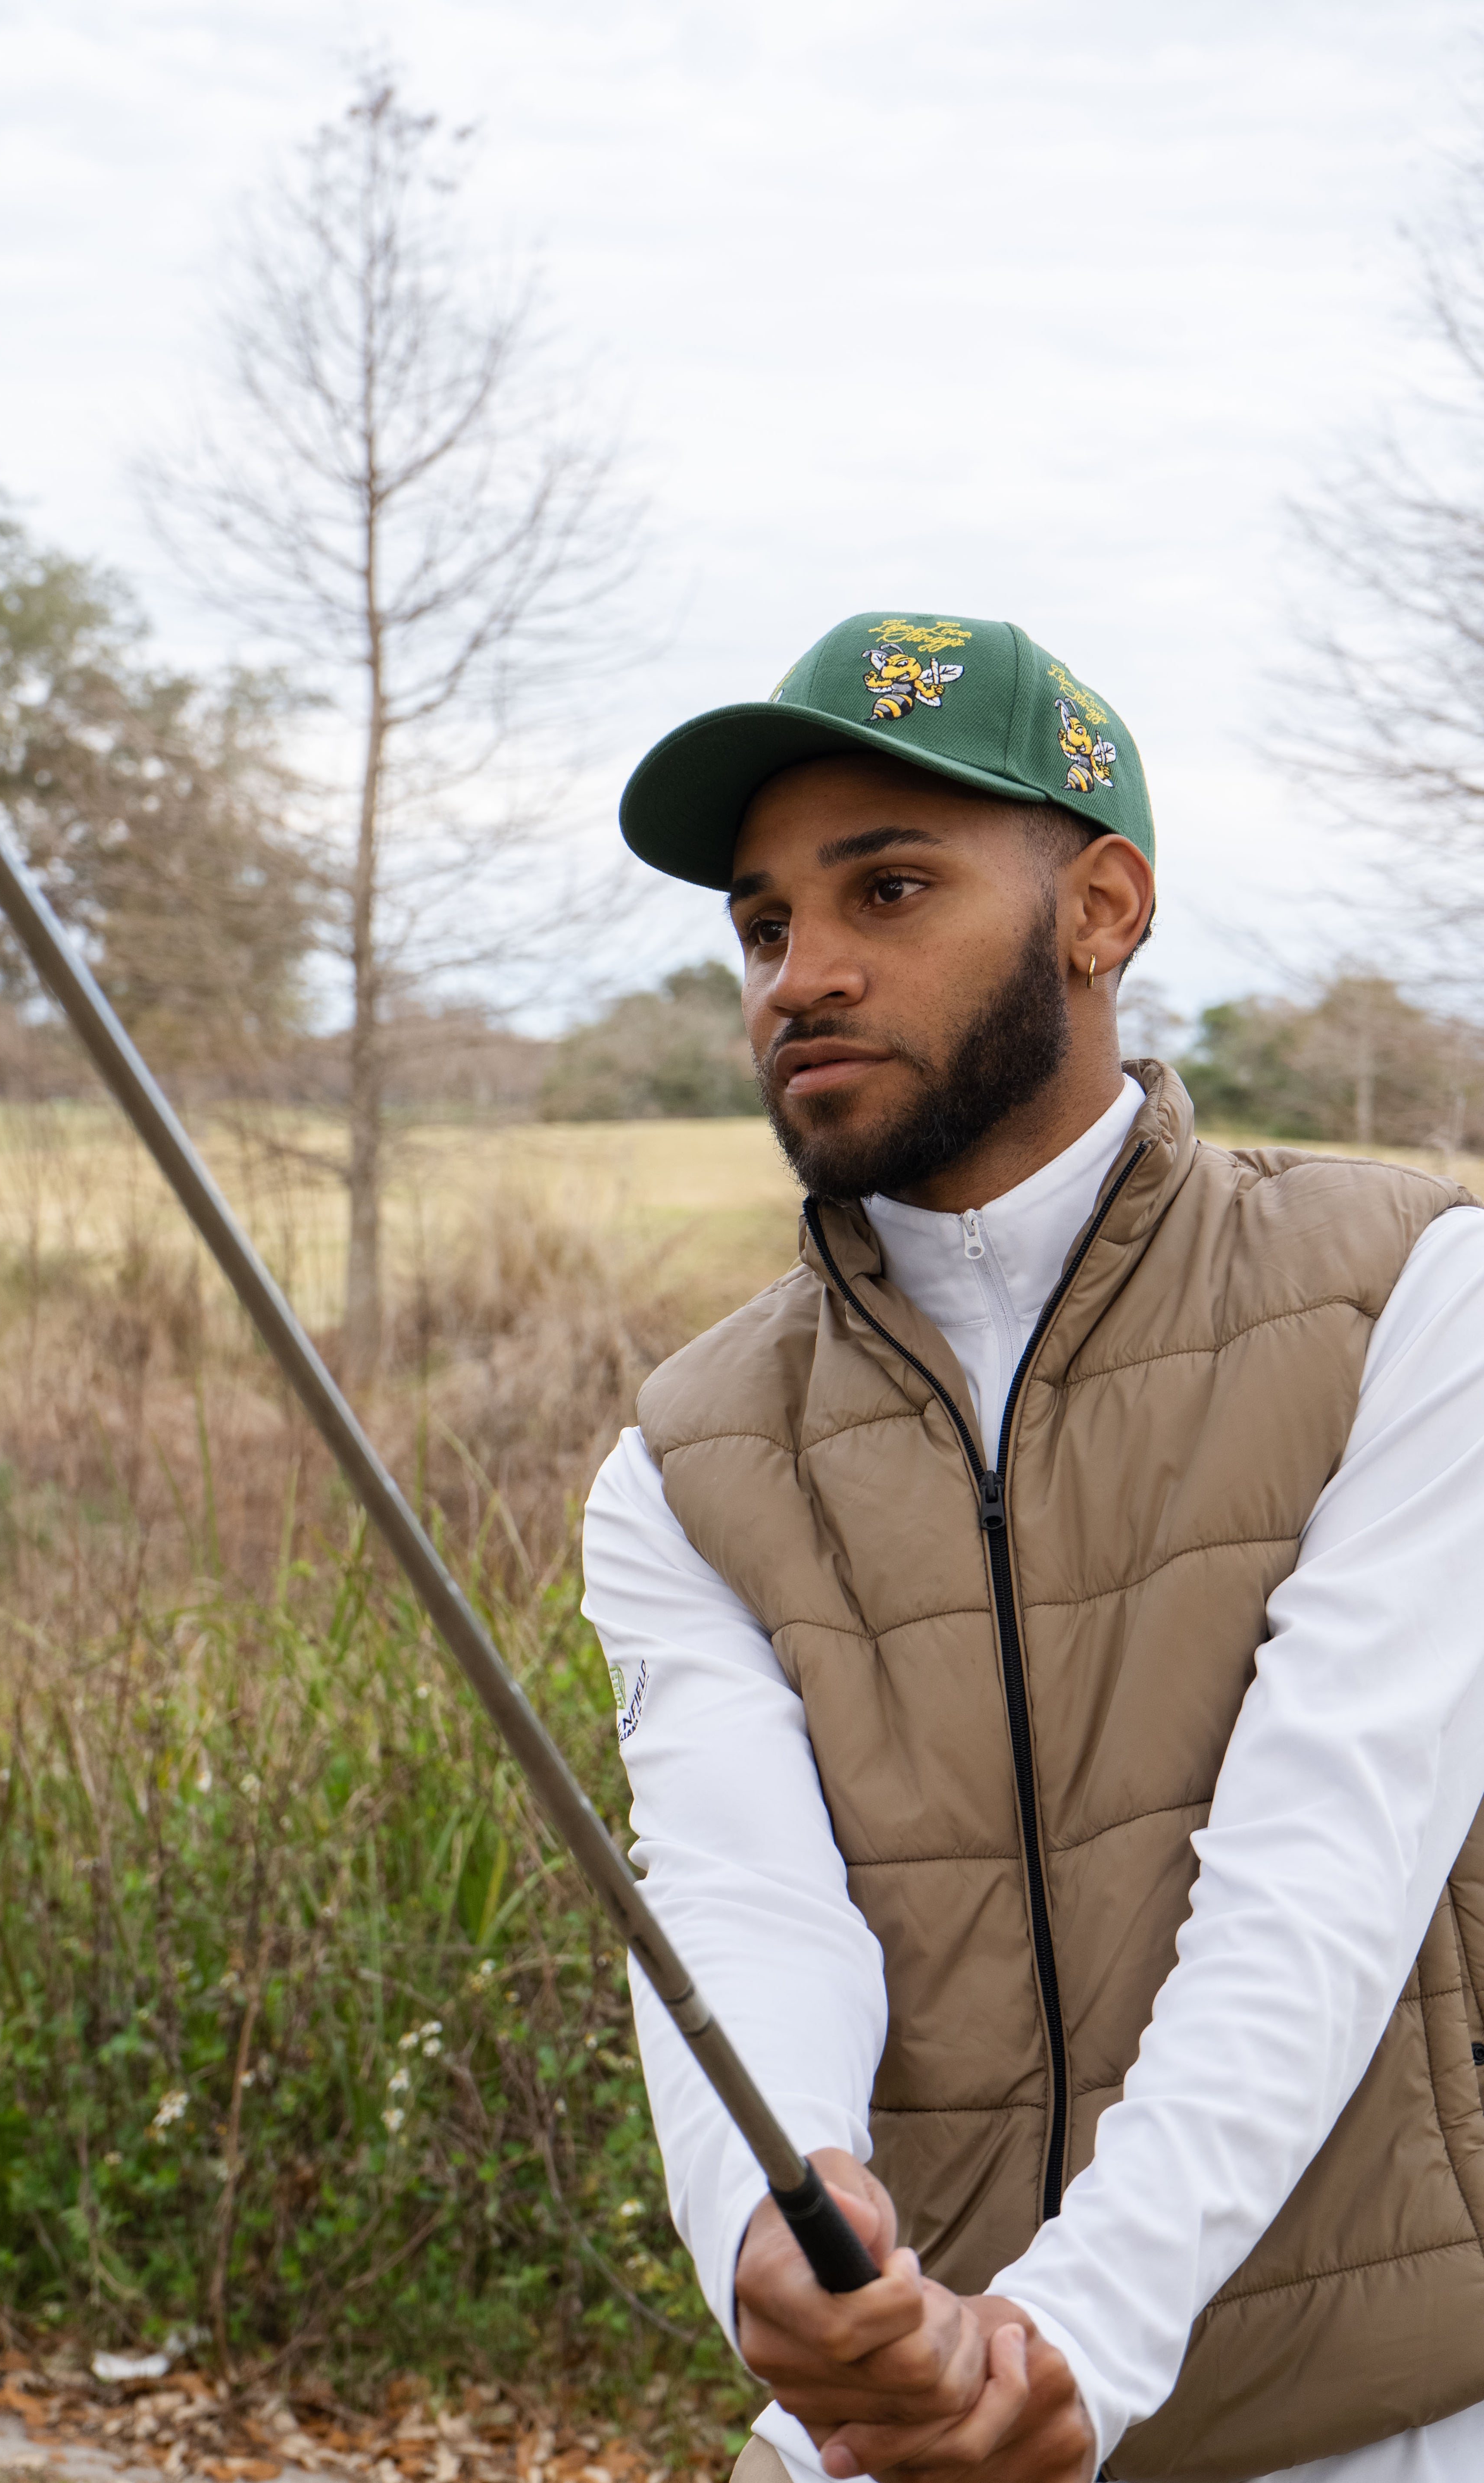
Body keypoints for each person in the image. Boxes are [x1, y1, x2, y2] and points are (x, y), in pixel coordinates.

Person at [580, 610, 1484, 2483]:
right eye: (762, 927)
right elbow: (746, 1904)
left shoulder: (1417, 1298)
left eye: (887, 890)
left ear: (1103, 910)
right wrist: (776, 2224)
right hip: (901, 2438)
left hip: (1383, 2422)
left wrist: (1078, 2343)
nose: (798, 978)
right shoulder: (685, 1460)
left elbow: (1327, 1857)